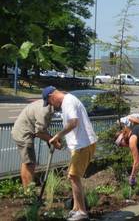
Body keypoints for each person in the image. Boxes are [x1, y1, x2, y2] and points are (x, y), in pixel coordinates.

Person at [43, 86, 97, 221]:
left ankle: (82, 212)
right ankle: (76, 209)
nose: (52, 106)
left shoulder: (68, 102)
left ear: (51, 96)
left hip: (83, 145)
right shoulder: (68, 101)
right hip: (80, 144)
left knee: (74, 176)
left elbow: (73, 123)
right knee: (72, 176)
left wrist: (57, 135)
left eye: (49, 102)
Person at [11, 99, 61, 188]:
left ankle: (27, 190)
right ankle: (29, 192)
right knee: (30, 163)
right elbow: (39, 132)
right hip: (23, 134)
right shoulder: (45, 110)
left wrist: (50, 139)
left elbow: (42, 129)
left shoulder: (48, 105)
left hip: (24, 132)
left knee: (27, 162)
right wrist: (53, 141)